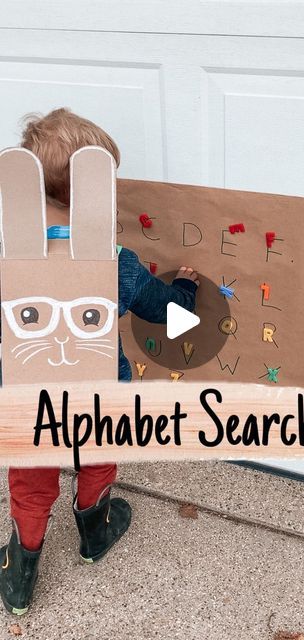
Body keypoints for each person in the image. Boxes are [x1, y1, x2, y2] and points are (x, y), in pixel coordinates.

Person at [0, 108, 199, 616]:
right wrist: (187, 290)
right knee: (99, 453)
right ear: (97, 192)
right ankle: (94, 531)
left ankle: (20, 575)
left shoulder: (6, 264)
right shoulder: (119, 265)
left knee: (30, 476)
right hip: (101, 396)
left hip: (27, 401)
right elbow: (170, 315)